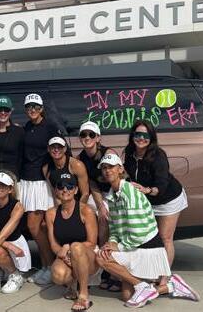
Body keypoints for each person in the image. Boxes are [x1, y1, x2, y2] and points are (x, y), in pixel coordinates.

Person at [95, 153, 199, 308]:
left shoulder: (129, 192)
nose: (107, 170)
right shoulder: (112, 196)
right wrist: (111, 243)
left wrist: (119, 247)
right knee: (126, 295)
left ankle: (144, 286)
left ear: (120, 170)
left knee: (101, 258)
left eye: (111, 167)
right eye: (104, 168)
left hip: (148, 247)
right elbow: (116, 229)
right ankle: (170, 286)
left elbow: (138, 233)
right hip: (134, 247)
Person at [123, 120, 188, 270]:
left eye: (146, 135)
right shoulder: (129, 153)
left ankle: (164, 276)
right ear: (132, 136)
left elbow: (162, 185)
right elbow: (128, 173)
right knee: (146, 237)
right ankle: (149, 271)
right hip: (147, 201)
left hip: (168, 199)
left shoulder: (158, 156)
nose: (141, 138)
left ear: (151, 138)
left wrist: (147, 190)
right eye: (138, 134)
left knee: (165, 238)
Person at [21, 93, 61, 285]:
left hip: (41, 183)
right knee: (39, 228)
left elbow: (60, 152)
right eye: (29, 107)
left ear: (42, 108)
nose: (32, 110)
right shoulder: (26, 127)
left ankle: (50, 266)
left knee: (35, 226)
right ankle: (46, 266)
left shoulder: (51, 127)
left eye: (36, 107)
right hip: (26, 181)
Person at [45, 172, 98, 311]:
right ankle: (72, 284)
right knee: (58, 275)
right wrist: (62, 253)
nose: (65, 190)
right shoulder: (50, 213)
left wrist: (68, 248)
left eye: (70, 186)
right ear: (56, 190)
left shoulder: (86, 210)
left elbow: (92, 242)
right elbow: (53, 244)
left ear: (76, 190)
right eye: (61, 186)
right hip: (66, 256)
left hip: (88, 256)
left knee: (76, 247)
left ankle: (83, 295)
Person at [76, 121, 117, 290]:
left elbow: (119, 178)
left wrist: (104, 206)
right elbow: (92, 184)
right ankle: (96, 261)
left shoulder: (108, 153)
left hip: (116, 191)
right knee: (91, 215)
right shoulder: (81, 159)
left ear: (98, 138)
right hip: (99, 193)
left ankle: (109, 266)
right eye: (83, 134)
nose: (87, 138)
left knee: (105, 218)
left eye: (91, 134)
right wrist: (100, 205)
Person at [43, 136, 90, 203]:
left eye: (59, 147)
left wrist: (77, 208)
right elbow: (54, 194)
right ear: (48, 149)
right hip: (60, 204)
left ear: (65, 149)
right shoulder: (46, 169)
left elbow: (85, 194)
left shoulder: (77, 165)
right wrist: (59, 209)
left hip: (79, 203)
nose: (56, 150)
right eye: (53, 147)